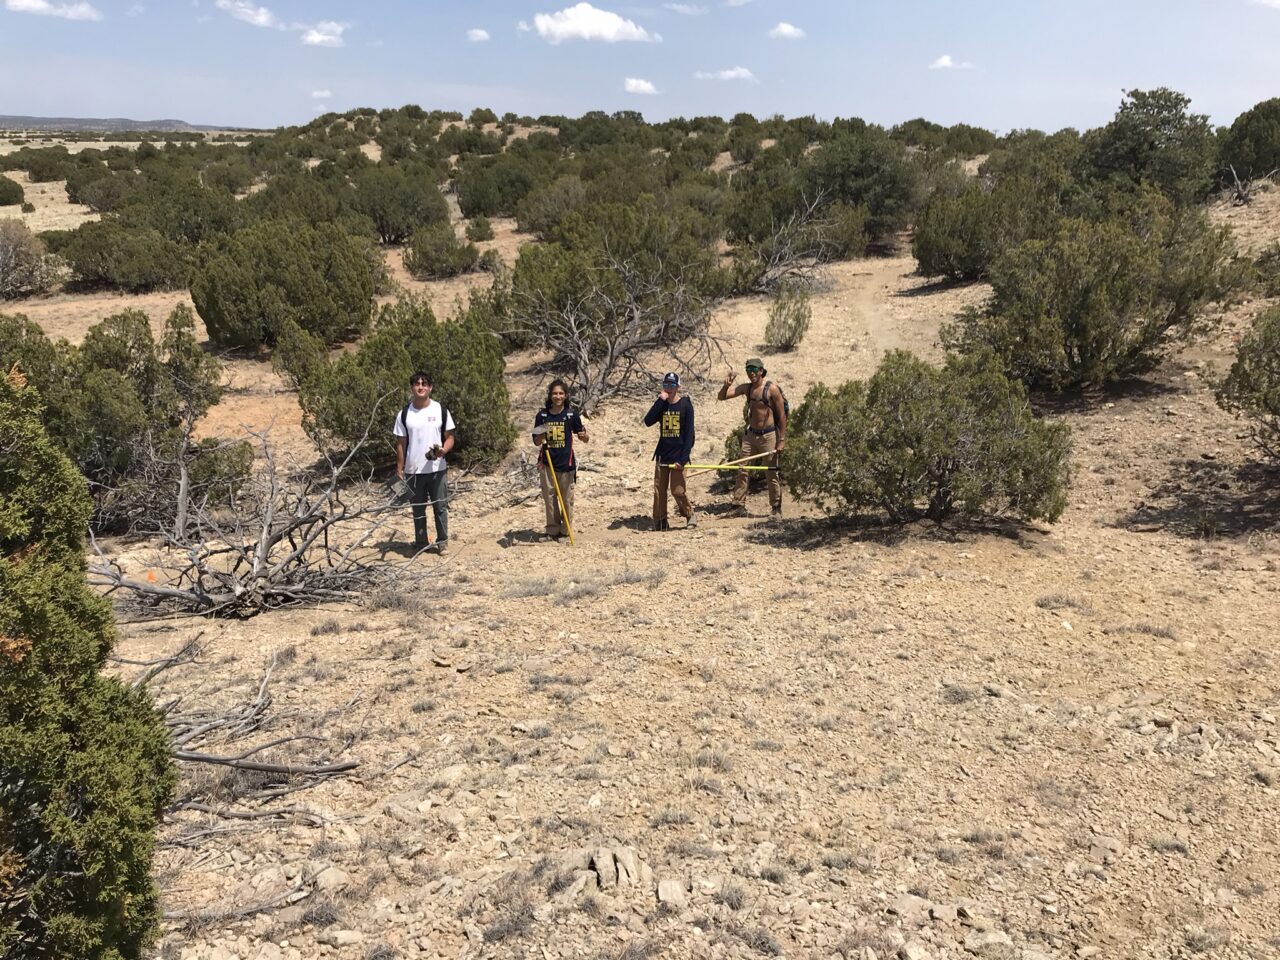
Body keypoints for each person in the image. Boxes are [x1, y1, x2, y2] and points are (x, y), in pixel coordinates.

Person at [393, 370, 456, 554]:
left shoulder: (440, 410)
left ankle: (442, 542)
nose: (420, 387)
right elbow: (401, 443)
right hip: (413, 470)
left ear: (430, 388)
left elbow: (450, 437)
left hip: (437, 469)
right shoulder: (404, 414)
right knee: (418, 509)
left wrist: (443, 450)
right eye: (417, 384)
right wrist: (399, 469)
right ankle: (421, 543)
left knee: (440, 506)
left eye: (424, 384)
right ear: (411, 387)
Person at [717, 357, 785, 516]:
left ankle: (776, 507)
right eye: (748, 370)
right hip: (750, 435)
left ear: (761, 371)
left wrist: (781, 440)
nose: (751, 373)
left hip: (768, 436)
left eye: (754, 370)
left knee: (771, 472)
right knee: (743, 469)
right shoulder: (746, 388)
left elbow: (782, 415)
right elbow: (722, 397)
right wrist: (726, 385)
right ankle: (738, 506)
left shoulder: (772, 389)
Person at [533, 379, 589, 541]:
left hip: (566, 464)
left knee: (566, 500)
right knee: (550, 499)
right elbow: (536, 441)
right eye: (555, 393)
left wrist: (584, 436)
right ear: (550, 396)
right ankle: (552, 531)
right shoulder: (543, 416)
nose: (558, 396)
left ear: (565, 395)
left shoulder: (571, 415)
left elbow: (584, 437)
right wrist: (541, 435)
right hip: (547, 464)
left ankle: (565, 531)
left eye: (561, 393)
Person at [643, 371, 696, 531]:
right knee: (659, 491)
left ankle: (690, 514)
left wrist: (683, 459)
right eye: (666, 384)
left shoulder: (686, 405)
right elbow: (648, 421)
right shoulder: (662, 404)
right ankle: (660, 521)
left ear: (678, 387)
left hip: (679, 456)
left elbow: (689, 435)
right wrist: (660, 401)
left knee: (677, 490)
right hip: (663, 455)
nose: (669, 388)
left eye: (672, 385)